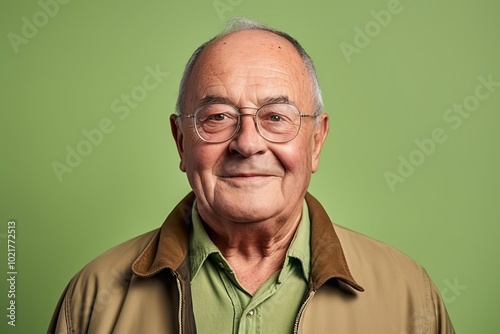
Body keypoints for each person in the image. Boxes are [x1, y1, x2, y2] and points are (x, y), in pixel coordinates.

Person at [49, 18, 455, 333]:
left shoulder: (408, 295)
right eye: (218, 117)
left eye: (276, 117)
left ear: (316, 141)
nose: (247, 143)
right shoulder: (92, 296)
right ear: (181, 142)